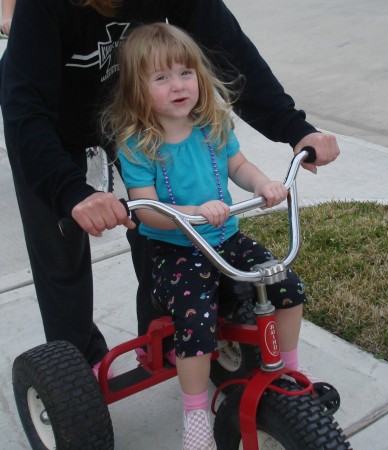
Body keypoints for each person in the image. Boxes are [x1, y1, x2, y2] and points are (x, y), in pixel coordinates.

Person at [0, 0, 340, 378]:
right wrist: (71, 192)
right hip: (53, 120)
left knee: (161, 222)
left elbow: (229, 50)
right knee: (59, 245)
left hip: (139, 110)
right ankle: (75, 367)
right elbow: (24, 108)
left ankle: (166, 333)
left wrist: (293, 127)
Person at [103, 22, 310, 449]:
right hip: (178, 249)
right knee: (196, 325)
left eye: (185, 73)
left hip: (227, 237)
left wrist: (263, 184)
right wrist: (192, 213)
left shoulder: (211, 125)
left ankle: (289, 370)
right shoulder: (137, 144)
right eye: (161, 78)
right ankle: (196, 411)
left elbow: (239, 166)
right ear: (138, 91)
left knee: (286, 285)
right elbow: (143, 208)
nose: (177, 85)